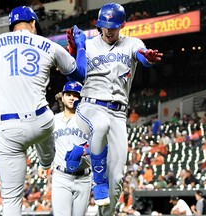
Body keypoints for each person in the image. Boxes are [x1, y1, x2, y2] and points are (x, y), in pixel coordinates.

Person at [0, 6, 87, 216]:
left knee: (11, 202)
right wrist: (81, 47)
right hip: (42, 121)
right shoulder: (48, 44)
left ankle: (44, 162)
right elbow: (79, 75)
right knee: (47, 130)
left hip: (9, 129)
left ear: (12, 26)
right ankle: (46, 161)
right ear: (33, 24)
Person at [66, 3, 162, 215]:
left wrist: (147, 58)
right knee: (100, 125)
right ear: (99, 25)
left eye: (113, 26)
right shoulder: (89, 45)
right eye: (104, 25)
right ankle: (96, 179)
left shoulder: (131, 43)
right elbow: (75, 72)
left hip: (118, 112)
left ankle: (83, 151)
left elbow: (141, 55)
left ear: (122, 25)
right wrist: (75, 51)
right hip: (90, 106)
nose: (108, 30)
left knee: (117, 179)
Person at [38, 81, 92, 216]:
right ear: (62, 97)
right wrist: (43, 164)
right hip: (62, 176)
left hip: (84, 177)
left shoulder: (89, 121)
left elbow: (100, 145)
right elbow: (46, 145)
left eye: (76, 95)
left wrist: (86, 150)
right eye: (68, 94)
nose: (72, 98)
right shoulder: (53, 121)